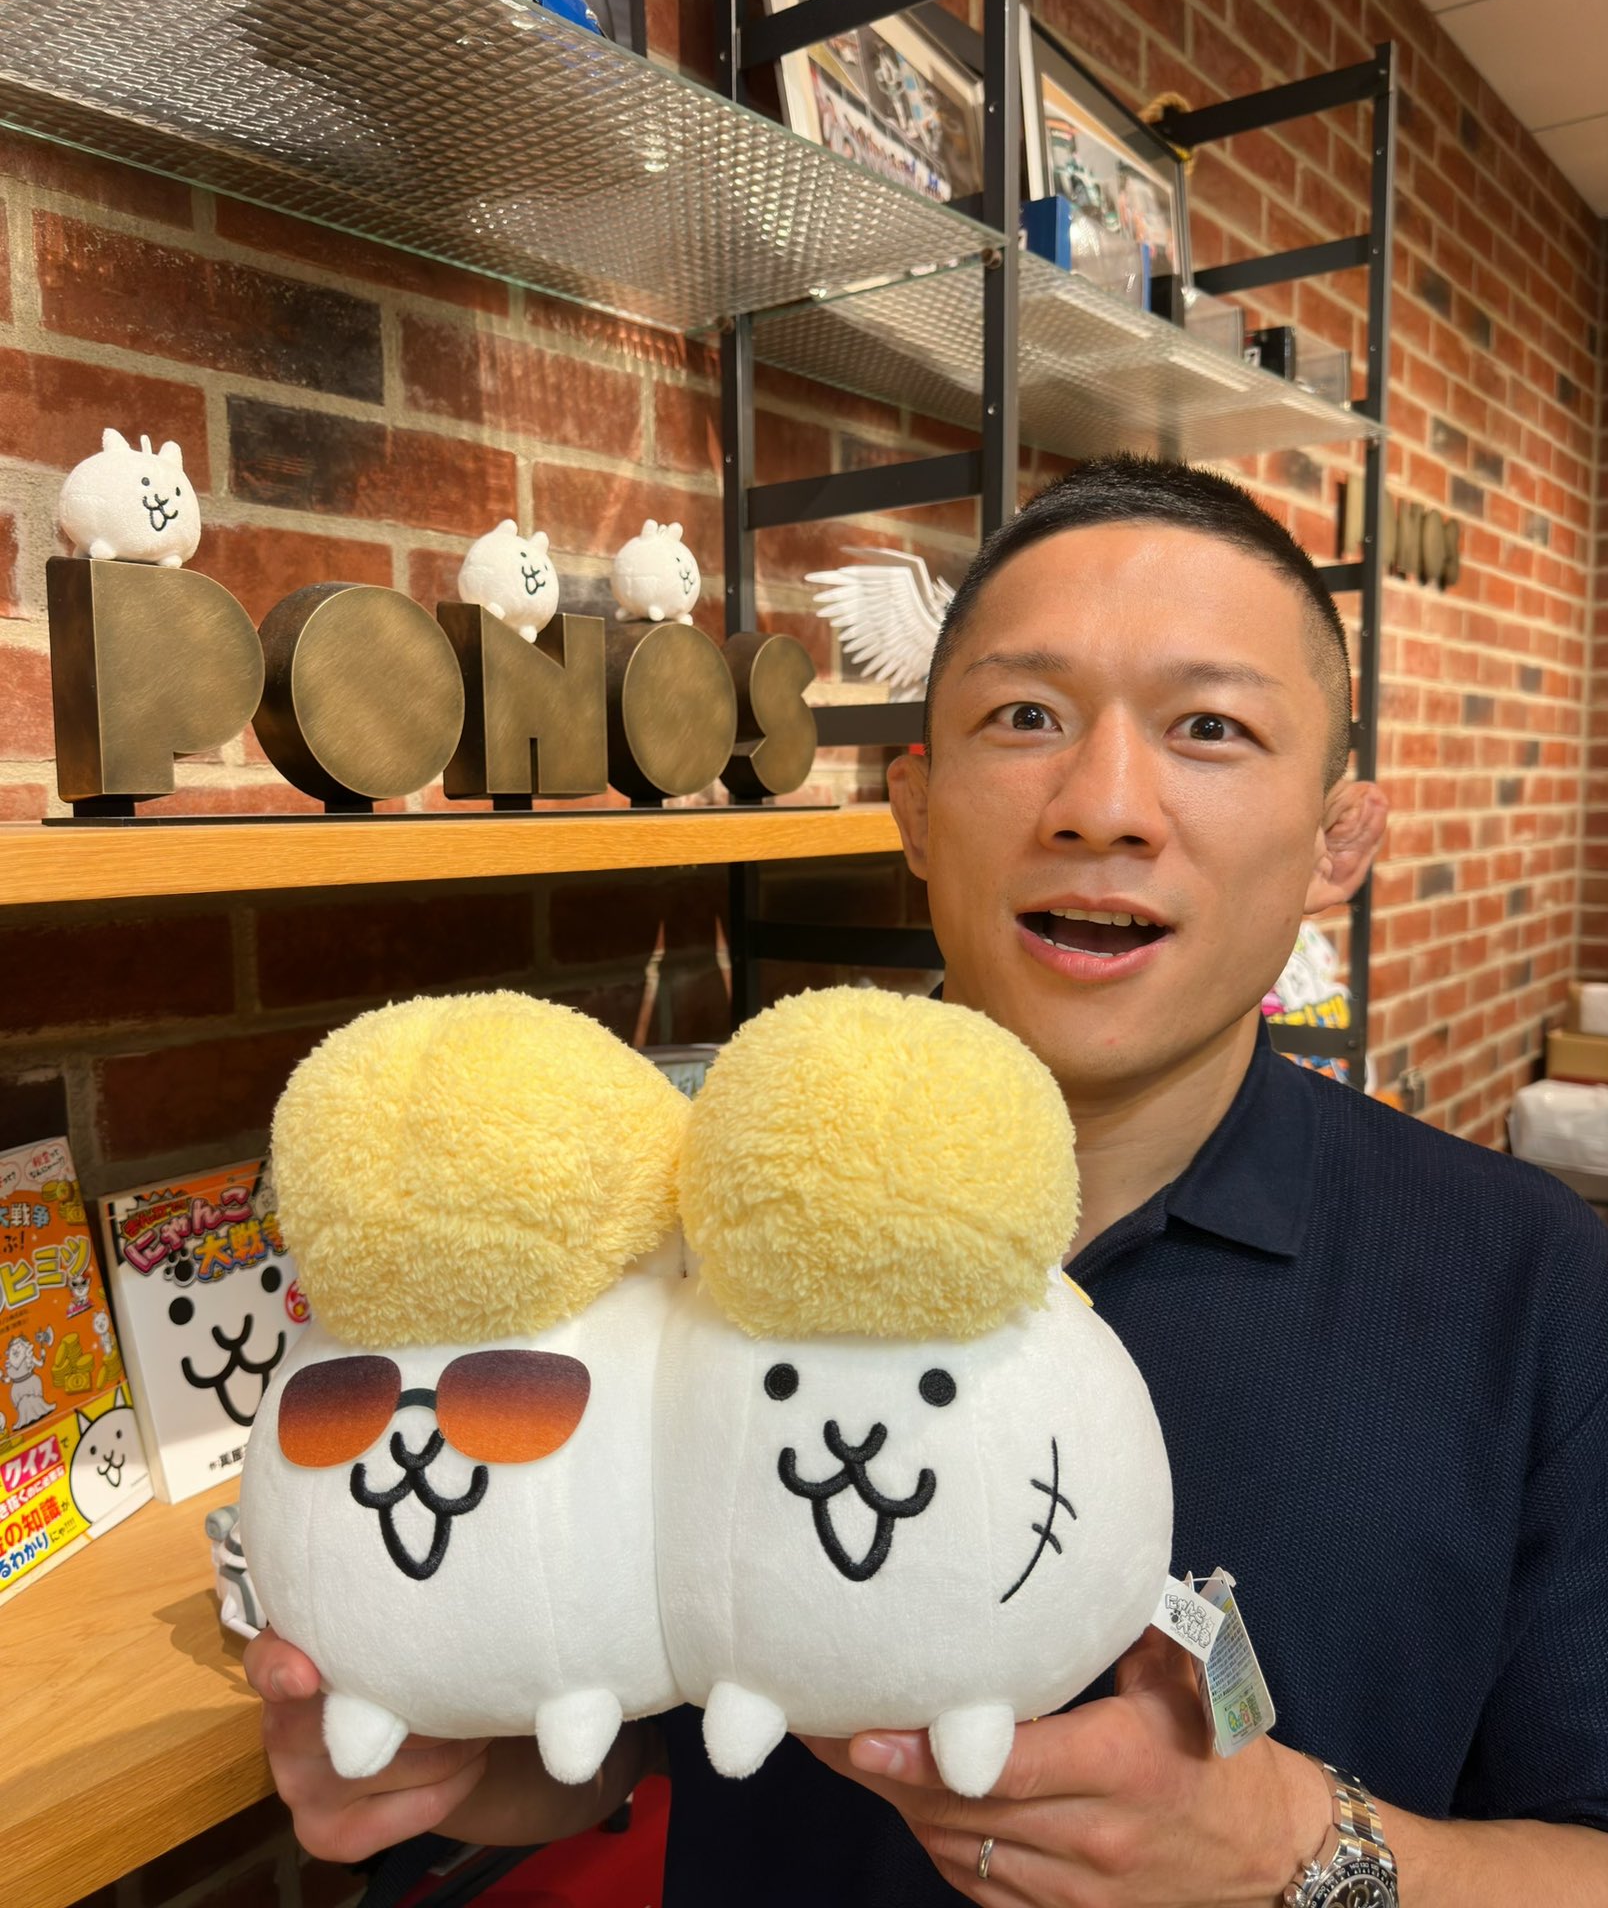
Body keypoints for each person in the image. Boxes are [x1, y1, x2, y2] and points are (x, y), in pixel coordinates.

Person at [246, 457, 1608, 1905]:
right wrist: (450, 1763)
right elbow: (634, 1702)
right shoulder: (684, 1218)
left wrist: (1292, 1848)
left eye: (1210, 727)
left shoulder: (1519, 1275)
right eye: (1027, 717)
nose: (1104, 806)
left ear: (1340, 839)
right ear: (914, 804)